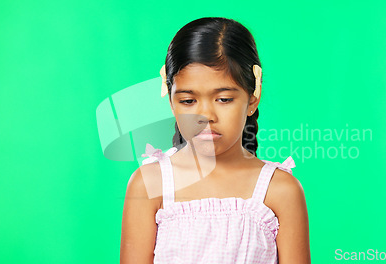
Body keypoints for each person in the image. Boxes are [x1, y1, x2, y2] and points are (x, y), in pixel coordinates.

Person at [120, 17, 310, 264]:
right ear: (171, 101)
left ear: (252, 98)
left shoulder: (281, 190)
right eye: (188, 101)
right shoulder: (149, 184)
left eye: (224, 99)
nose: (205, 116)